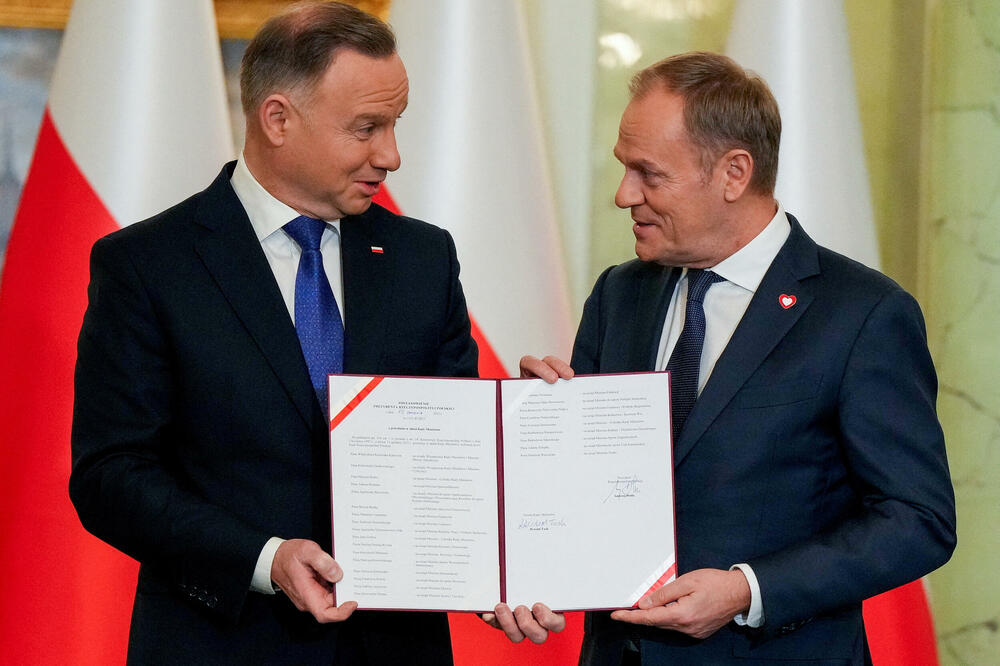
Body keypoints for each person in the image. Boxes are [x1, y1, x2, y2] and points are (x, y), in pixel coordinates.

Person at [511, 52, 956, 664]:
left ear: (734, 173)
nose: (623, 195)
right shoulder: (620, 293)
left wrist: (748, 589)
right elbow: (591, 490)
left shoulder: (862, 313)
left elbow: (916, 519)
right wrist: (537, 428)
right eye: (623, 168)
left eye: (648, 174)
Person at [70, 2, 476, 663]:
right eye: (366, 128)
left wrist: (528, 418)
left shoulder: (423, 259)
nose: (391, 156)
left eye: (395, 124)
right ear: (278, 119)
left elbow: (455, 449)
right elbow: (110, 476)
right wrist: (265, 559)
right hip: (221, 643)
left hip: (393, 648)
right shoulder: (148, 266)